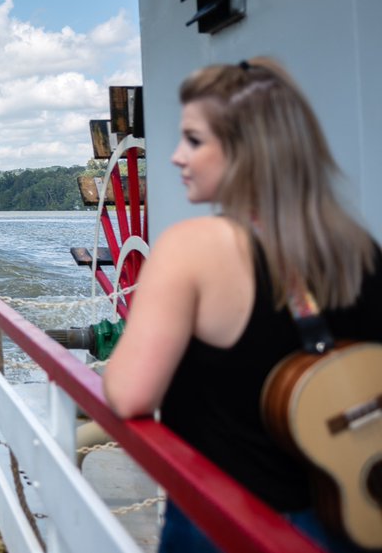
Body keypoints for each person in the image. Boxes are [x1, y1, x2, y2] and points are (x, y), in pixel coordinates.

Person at [103, 57, 382, 553]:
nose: (176, 157)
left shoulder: (191, 247)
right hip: (348, 522)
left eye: (194, 140)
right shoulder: (357, 247)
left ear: (247, 150)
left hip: (228, 525)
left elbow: (128, 395)